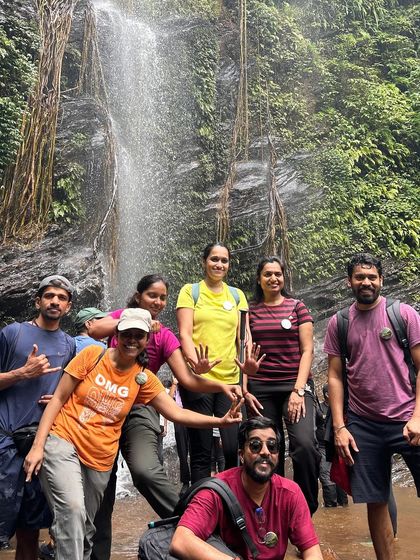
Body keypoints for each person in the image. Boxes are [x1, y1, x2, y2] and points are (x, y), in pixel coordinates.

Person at [23, 308, 242, 560]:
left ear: (147, 340)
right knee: (72, 510)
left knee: (83, 528)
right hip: (64, 440)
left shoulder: (143, 379)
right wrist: (38, 446)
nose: (132, 340)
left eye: (139, 335)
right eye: (127, 333)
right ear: (117, 334)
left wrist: (221, 421)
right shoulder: (93, 355)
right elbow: (59, 398)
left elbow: (176, 413)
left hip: (99, 458)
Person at [88, 274, 242, 560]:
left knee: (146, 470)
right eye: (151, 296)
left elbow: (187, 379)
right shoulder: (124, 319)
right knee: (101, 489)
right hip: (104, 404)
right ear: (138, 296)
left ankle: (198, 526)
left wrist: (219, 383)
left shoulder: (165, 335)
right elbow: (93, 330)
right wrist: (134, 320)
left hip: (141, 405)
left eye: (162, 297)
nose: (157, 302)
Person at [324, 253, 420, 560]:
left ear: (380, 279)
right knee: (375, 500)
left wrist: (418, 416)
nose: (366, 282)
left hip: (408, 418)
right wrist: (340, 427)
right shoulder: (339, 322)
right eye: (360, 277)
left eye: (372, 277)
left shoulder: (403, 315)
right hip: (363, 424)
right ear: (349, 281)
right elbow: (335, 376)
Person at [170, 416, 323, 560]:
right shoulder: (215, 492)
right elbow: (181, 540)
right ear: (241, 455)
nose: (265, 452)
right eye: (255, 445)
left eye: (272, 446)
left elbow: (312, 552)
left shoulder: (290, 493)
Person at [0, 275, 75, 560]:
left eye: (61, 298)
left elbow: (66, 392)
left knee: (30, 530)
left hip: (38, 445)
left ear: (67, 307)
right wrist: (22, 373)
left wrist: (59, 399)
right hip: (4, 440)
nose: (55, 301)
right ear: (38, 301)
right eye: (49, 295)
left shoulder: (68, 345)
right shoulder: (13, 333)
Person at [240, 256, 321, 515]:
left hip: (294, 386)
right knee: (266, 449)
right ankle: (272, 508)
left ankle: (304, 510)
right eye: (267, 274)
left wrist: (298, 390)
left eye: (278, 274)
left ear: (284, 278)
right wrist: (246, 389)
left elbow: (308, 350)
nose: (273, 278)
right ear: (258, 279)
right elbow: (245, 353)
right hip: (261, 389)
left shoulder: (297, 307)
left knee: (306, 445)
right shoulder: (249, 310)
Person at [176, 242, 249, 482]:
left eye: (224, 260)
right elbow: (185, 332)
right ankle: (200, 508)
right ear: (204, 261)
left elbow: (244, 338)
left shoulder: (237, 295)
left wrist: (245, 377)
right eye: (214, 259)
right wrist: (194, 362)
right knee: (201, 451)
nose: (219, 264)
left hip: (230, 381)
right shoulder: (191, 291)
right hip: (198, 382)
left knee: (231, 449)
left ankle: (229, 504)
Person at [315, 384, 348, 508]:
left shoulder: (340, 407)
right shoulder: (319, 409)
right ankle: (331, 507)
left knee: (341, 475)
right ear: (327, 394)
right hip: (322, 447)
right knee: (325, 476)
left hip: (338, 446)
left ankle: (343, 506)